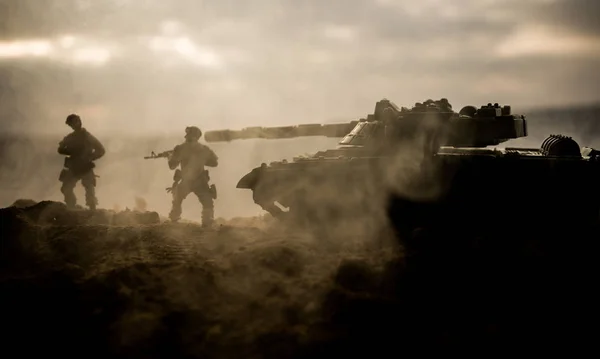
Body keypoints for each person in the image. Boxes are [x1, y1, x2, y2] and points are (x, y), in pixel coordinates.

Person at [167, 126, 218, 227]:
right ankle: (207, 223)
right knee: (207, 203)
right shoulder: (204, 149)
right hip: (200, 181)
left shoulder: (180, 148)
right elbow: (214, 163)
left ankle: (174, 222)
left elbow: (172, 166)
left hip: (187, 181)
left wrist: (170, 157)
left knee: (177, 200)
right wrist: (201, 160)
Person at [57, 114, 105, 210]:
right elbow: (60, 149)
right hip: (73, 167)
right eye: (72, 123)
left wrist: (90, 157)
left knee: (90, 189)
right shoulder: (70, 137)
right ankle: (71, 208)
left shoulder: (88, 136)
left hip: (85, 167)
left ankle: (92, 212)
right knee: (66, 188)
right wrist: (71, 151)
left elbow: (101, 150)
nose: (74, 125)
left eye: (76, 122)